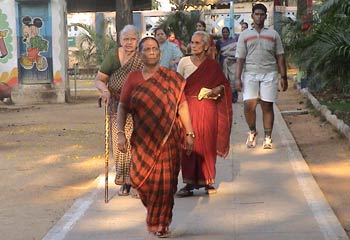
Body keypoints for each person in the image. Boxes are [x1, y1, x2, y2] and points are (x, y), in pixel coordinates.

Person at [116, 37, 194, 238]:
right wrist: (120, 134)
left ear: (160, 53)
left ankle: (161, 223)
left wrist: (189, 132)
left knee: (166, 185)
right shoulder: (133, 78)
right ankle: (155, 214)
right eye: (147, 49)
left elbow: (182, 105)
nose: (151, 52)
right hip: (142, 140)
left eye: (155, 49)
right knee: (140, 182)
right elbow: (123, 106)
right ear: (140, 54)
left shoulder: (171, 78)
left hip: (169, 139)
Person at [176, 31, 233, 197]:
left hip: (208, 109)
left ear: (206, 46)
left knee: (207, 144)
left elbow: (224, 85)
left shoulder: (213, 65)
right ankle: (188, 184)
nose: (193, 46)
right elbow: (177, 86)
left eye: (197, 43)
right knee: (189, 143)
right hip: (188, 108)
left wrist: (216, 90)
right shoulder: (184, 62)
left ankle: (208, 181)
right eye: (192, 42)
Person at [94, 25, 143, 197]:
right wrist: (104, 91)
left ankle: (136, 179)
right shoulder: (113, 57)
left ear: (138, 39)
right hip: (116, 105)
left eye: (132, 39)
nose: (129, 43)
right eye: (125, 39)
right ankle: (125, 181)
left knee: (138, 143)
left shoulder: (142, 57)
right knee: (120, 142)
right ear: (120, 40)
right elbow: (99, 79)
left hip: (139, 107)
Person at [235, 3, 288, 149]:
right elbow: (240, 58)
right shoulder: (245, 35)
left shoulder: (273, 34)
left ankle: (268, 137)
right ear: (252, 16)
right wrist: (237, 78)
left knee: (267, 105)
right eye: (256, 14)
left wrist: (283, 77)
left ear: (266, 16)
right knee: (248, 106)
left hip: (269, 74)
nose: (259, 17)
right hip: (250, 74)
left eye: (262, 14)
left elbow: (280, 56)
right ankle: (252, 132)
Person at [216, 27, 239, 103]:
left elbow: (236, 52)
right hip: (224, 62)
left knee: (233, 79)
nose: (225, 33)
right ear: (222, 33)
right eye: (224, 32)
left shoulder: (233, 41)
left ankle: (234, 96)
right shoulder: (219, 42)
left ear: (229, 33)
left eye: (226, 32)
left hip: (233, 62)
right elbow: (218, 53)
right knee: (225, 79)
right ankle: (226, 96)